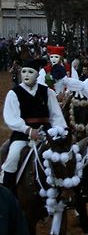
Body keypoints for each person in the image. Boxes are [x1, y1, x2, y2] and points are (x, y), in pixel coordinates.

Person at [1, 58, 67, 191]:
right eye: (23, 71)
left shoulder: (47, 92)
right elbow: (11, 117)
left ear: (37, 74)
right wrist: (28, 130)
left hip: (47, 134)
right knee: (12, 158)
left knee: (62, 158)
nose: (26, 75)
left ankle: (67, 194)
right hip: (23, 135)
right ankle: (8, 192)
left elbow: (56, 115)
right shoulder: (14, 93)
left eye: (30, 72)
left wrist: (60, 131)